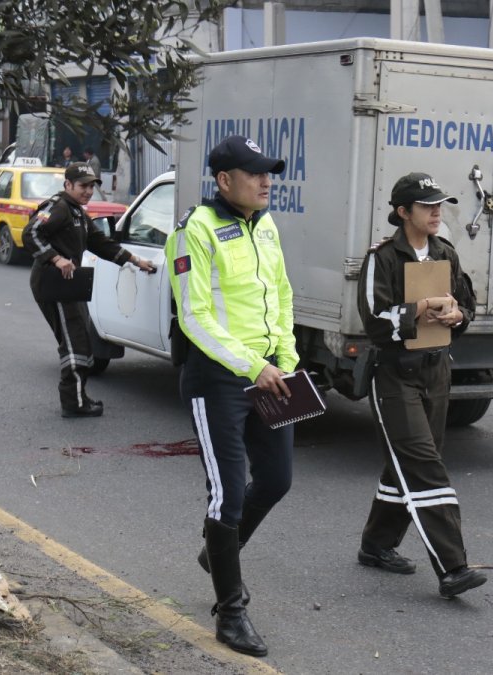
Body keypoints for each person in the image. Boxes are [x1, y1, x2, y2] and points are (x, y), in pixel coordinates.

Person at [164, 135, 296, 657]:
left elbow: (280, 295)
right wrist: (253, 367)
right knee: (228, 495)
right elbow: (194, 316)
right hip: (218, 379)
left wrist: (285, 358)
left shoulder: (265, 225)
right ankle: (231, 611)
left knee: (278, 480)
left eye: (268, 173)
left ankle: (218, 553)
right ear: (224, 180)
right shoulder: (194, 231)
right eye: (254, 173)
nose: (266, 182)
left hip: (270, 372)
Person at [355, 172, 486, 599]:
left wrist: (457, 316)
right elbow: (374, 320)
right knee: (425, 465)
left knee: (406, 463)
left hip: (437, 371)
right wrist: (419, 309)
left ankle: (376, 545)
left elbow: (467, 306)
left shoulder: (446, 252)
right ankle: (453, 567)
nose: (436, 212)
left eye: (438, 205)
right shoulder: (382, 257)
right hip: (395, 374)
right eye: (427, 206)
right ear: (403, 212)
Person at [22, 162, 155, 417]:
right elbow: (31, 233)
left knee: (80, 340)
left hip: (70, 283)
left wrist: (135, 261)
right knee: (75, 343)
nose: (88, 191)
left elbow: (100, 243)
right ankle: (73, 403)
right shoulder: (58, 207)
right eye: (83, 186)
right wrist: (56, 258)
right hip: (54, 283)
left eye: (92, 186)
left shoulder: (77, 213)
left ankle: (78, 397)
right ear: (68, 185)